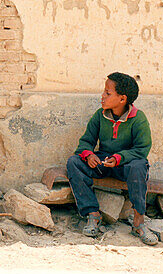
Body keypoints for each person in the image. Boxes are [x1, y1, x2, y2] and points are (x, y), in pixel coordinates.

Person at [66, 71, 156, 245]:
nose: (102, 96)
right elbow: (85, 143)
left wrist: (119, 157)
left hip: (125, 166)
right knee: (74, 162)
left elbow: (142, 149)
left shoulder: (138, 119)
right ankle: (93, 215)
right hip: (103, 162)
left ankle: (139, 222)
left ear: (122, 99)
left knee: (139, 166)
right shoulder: (100, 115)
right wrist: (89, 154)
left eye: (107, 93)